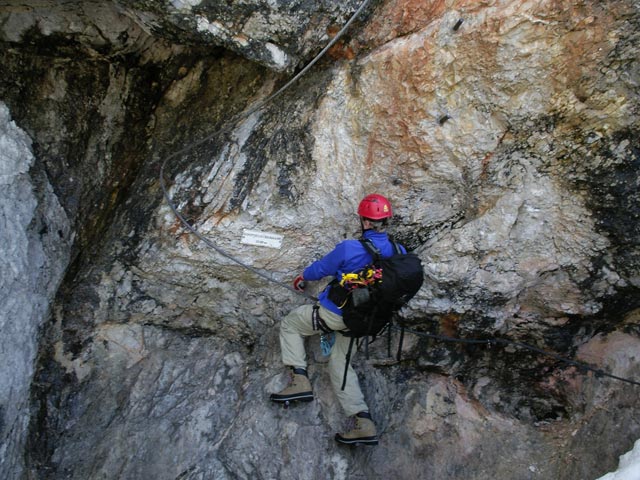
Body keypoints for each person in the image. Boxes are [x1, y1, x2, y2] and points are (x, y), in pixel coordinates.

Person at [270, 194, 406, 446]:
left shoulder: (350, 248)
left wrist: (303, 276)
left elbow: (321, 268)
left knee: (290, 323)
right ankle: (363, 421)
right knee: (340, 363)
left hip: (336, 315)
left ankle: (299, 380)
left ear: (365, 222)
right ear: (386, 221)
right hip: (365, 322)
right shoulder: (399, 252)